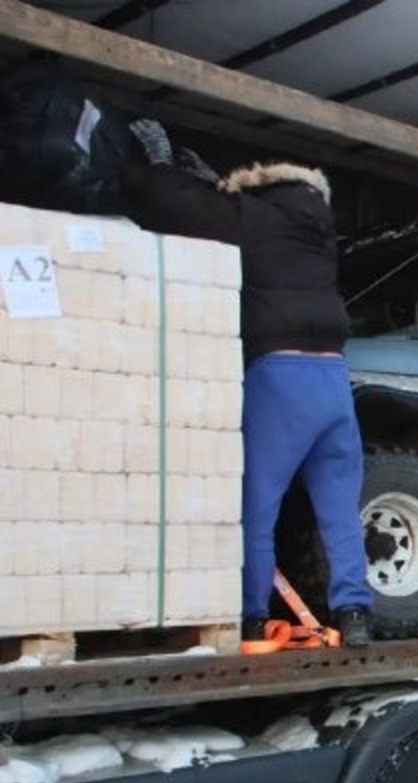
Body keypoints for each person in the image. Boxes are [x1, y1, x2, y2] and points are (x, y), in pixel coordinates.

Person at [119, 131, 373, 646]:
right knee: (340, 510)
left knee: (257, 507)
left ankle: (250, 615)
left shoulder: (256, 221)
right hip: (333, 382)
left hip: (281, 379)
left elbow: (175, 203)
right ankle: (356, 617)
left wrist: (158, 163)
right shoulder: (320, 235)